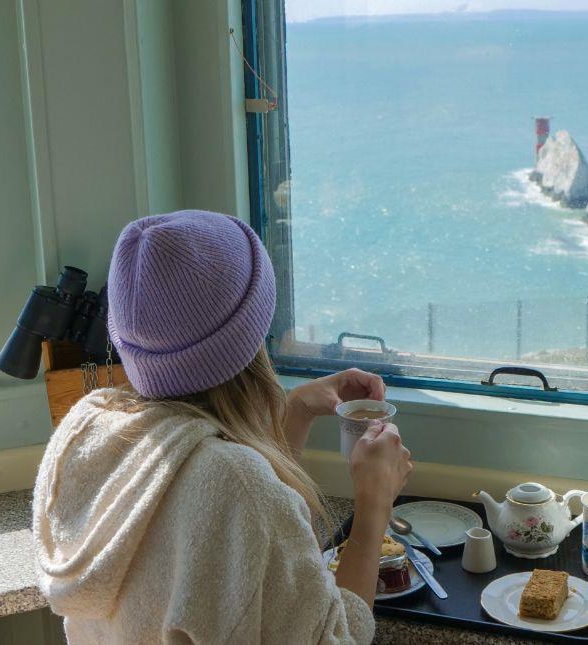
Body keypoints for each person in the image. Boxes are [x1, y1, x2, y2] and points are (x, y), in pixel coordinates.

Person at [32, 210, 412, 644]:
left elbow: (230, 538)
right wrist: (373, 506)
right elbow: (337, 637)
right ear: (251, 336)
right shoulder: (239, 485)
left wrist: (297, 411)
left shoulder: (86, 434)